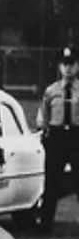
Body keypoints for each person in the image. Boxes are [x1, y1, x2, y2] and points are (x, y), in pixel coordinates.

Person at [38, 48, 79, 229]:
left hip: (76, 136)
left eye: (72, 64)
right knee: (52, 180)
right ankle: (45, 223)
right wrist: (45, 132)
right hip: (57, 136)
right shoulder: (51, 90)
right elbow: (44, 115)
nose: (68, 69)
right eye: (65, 65)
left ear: (77, 67)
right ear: (60, 67)